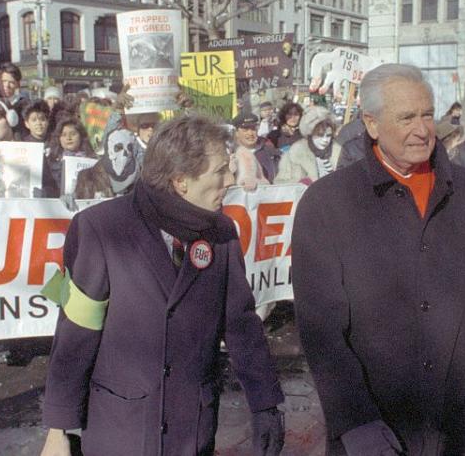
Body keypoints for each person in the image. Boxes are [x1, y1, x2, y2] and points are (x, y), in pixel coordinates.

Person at [291, 63, 465, 455]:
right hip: (371, 425)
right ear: (372, 123)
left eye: (427, 115)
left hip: (448, 423)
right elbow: (321, 330)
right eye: (406, 117)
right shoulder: (328, 204)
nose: (422, 129)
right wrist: (354, 421)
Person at [40, 115, 285, 456]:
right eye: (219, 171)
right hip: (119, 431)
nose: (230, 179)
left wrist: (265, 403)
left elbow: (242, 324)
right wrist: (59, 430)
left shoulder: (222, 233)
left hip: (192, 430)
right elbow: (75, 333)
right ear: (181, 180)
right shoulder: (100, 228)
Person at [276, 106, 342, 184]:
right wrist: (300, 184)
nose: (325, 140)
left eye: (328, 135)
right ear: (310, 134)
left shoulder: (339, 152)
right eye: (320, 135)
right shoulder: (293, 155)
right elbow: (280, 184)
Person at [47, 118, 97, 194]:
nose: (68, 138)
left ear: (81, 136)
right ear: (59, 139)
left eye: (73, 134)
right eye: (64, 135)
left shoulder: (93, 160)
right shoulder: (51, 161)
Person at [231, 112, 281, 188]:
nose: (250, 133)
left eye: (253, 129)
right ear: (236, 132)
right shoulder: (229, 154)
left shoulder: (269, 151)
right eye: (245, 129)